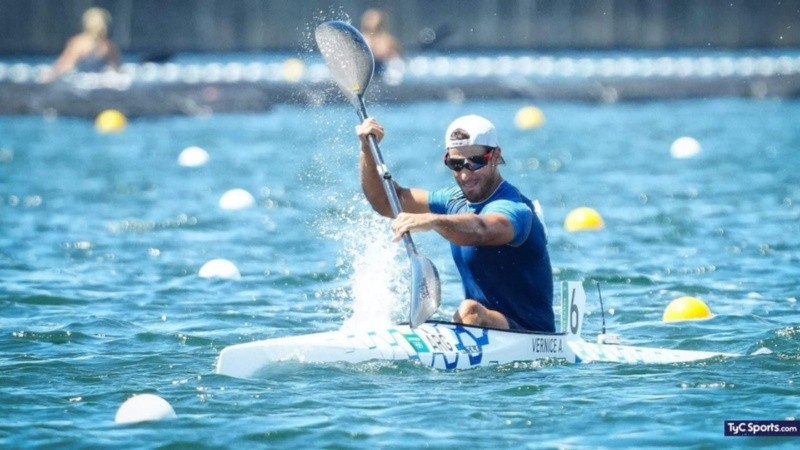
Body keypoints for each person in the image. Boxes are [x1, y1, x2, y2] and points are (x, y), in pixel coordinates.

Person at [356, 114, 554, 332]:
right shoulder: (453, 200)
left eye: (476, 162)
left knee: (469, 310)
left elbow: (482, 229)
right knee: (470, 312)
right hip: (480, 325)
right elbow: (386, 201)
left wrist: (432, 221)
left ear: (495, 156)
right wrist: (367, 149)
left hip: (532, 333)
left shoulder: (514, 207)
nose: (465, 174)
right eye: (456, 164)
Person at [44, 7, 121, 82]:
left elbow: (63, 65)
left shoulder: (79, 43)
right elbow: (117, 70)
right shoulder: (109, 46)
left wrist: (48, 78)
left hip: (80, 80)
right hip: (97, 81)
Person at [359, 8, 402, 76]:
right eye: (368, 18)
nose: (370, 21)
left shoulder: (388, 40)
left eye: (372, 19)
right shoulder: (360, 38)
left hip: (383, 69)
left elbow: (397, 57)